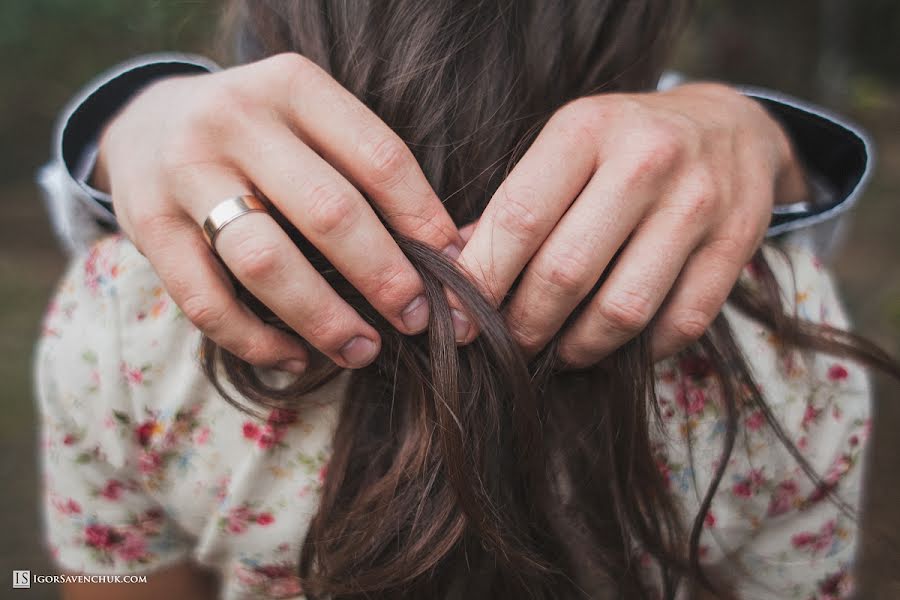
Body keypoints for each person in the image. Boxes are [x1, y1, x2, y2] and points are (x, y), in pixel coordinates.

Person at [34, 1, 897, 599]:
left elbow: (114, 580)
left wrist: (136, 116)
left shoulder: (129, 306)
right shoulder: (777, 325)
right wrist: (759, 132)